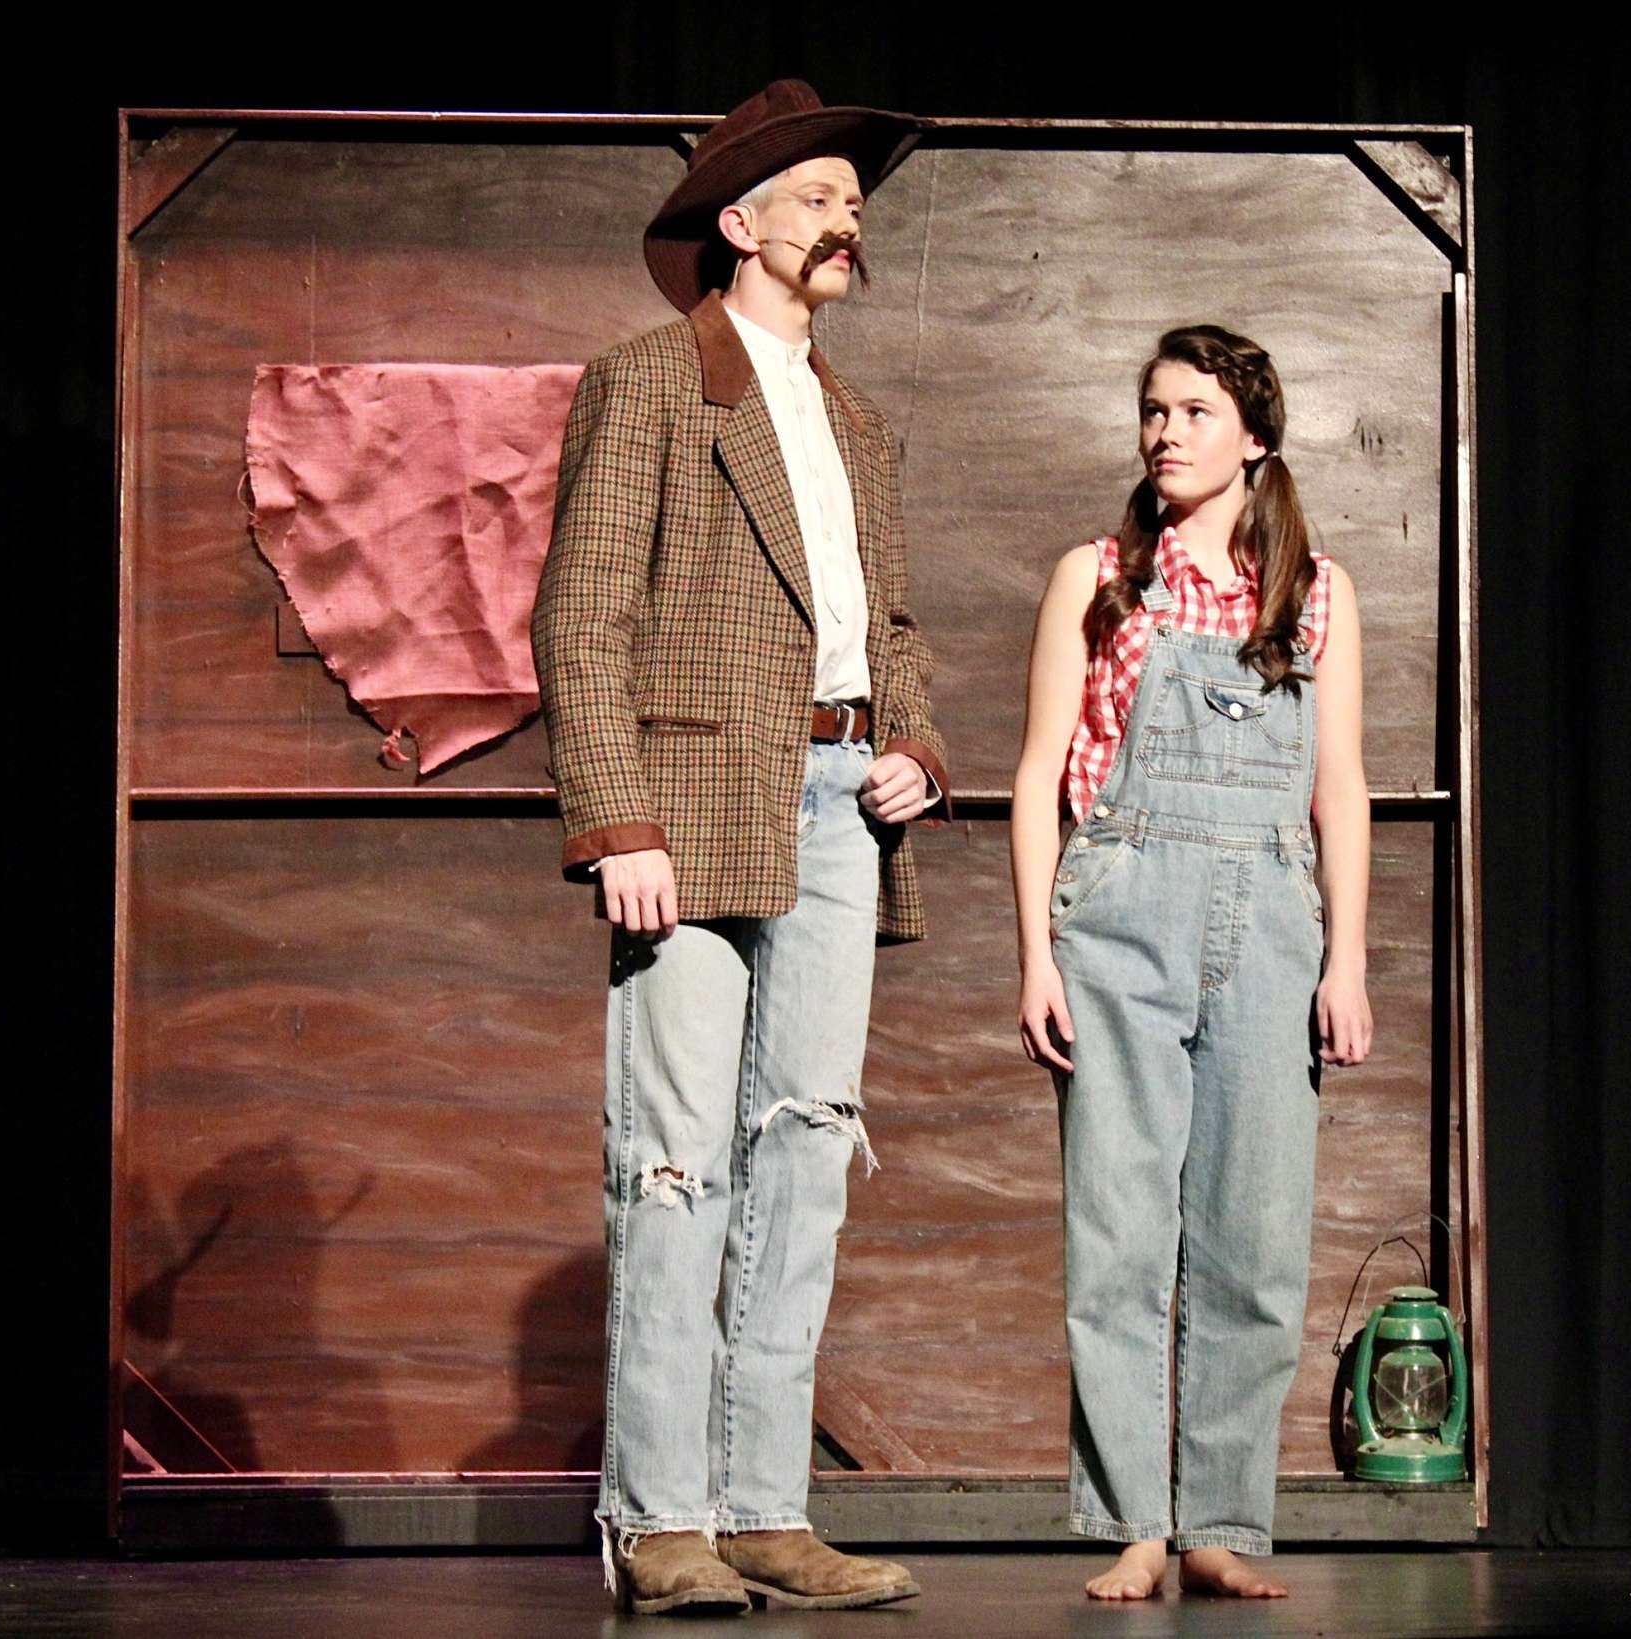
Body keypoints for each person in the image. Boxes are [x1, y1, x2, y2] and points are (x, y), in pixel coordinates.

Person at [532, 80, 952, 1616]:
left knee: (809, 1148)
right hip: (695, 806)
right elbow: (583, 615)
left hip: (842, 797)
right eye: (827, 196)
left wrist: (912, 742)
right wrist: (616, 818)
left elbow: (885, 624)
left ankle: (768, 1503)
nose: (851, 221)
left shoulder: (855, 417)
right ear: (743, 222)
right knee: (675, 1161)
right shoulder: (650, 382)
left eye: (853, 199)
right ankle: (662, 1518)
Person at [1009, 324, 1374, 1601]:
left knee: (1253, 1235)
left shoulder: (1313, 592)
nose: (1164, 431)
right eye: (1153, 409)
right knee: (1116, 1229)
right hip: (1117, 906)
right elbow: (1037, 774)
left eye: (1194, 410)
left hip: (1273, 918)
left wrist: (1348, 961)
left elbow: (1339, 789)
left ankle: (1220, 1520)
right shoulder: (1098, 576)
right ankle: (1132, 1524)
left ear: (1254, 437)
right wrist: (1034, 952)